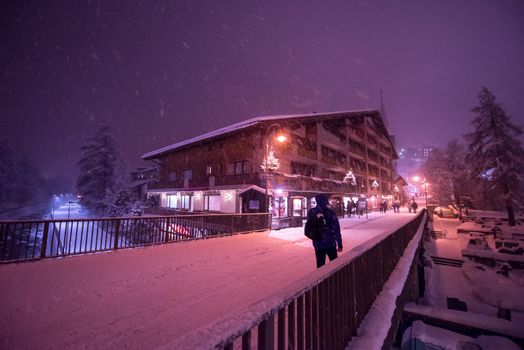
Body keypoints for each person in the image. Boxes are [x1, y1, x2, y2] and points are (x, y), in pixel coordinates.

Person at [306, 194, 343, 268]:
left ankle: (321, 279)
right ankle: (334, 278)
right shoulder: (330, 213)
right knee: (334, 266)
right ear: (325, 201)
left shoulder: (311, 212)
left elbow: (309, 226)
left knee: (320, 267)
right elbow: (336, 229)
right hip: (330, 242)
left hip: (318, 243)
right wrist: (339, 244)